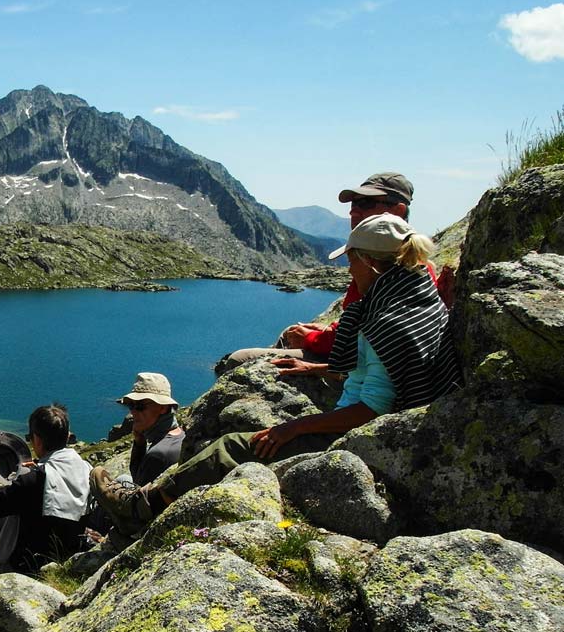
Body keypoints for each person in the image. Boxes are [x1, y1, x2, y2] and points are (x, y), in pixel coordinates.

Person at [96, 213, 460, 536]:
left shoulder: (385, 321)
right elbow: (380, 372)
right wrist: (316, 368)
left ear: (370, 261)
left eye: (351, 261)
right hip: (395, 426)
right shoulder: (415, 296)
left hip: (365, 440)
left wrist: (294, 428)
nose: (349, 271)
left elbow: (373, 409)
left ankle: (140, 509)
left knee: (231, 446)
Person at [220, 172, 416, 370]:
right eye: (353, 204)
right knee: (290, 332)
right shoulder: (387, 257)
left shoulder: (386, 267)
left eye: (365, 203)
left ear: (398, 210)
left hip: (352, 369)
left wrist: (312, 342)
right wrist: (329, 330)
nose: (353, 212)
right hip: (347, 356)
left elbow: (368, 349)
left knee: (239, 359)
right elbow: (361, 325)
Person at [0, 404, 91, 585]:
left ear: (37, 440)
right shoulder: (86, 469)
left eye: (30, 437)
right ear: (67, 436)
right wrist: (37, 467)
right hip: (63, 559)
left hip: (22, 572)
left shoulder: (33, 481)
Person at [85, 373, 184, 545]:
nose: (132, 412)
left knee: (103, 501)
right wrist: (139, 442)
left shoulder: (159, 453)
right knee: (123, 478)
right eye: (131, 405)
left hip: (143, 523)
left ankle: (94, 538)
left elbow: (138, 500)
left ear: (162, 408)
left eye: (140, 406)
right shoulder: (178, 435)